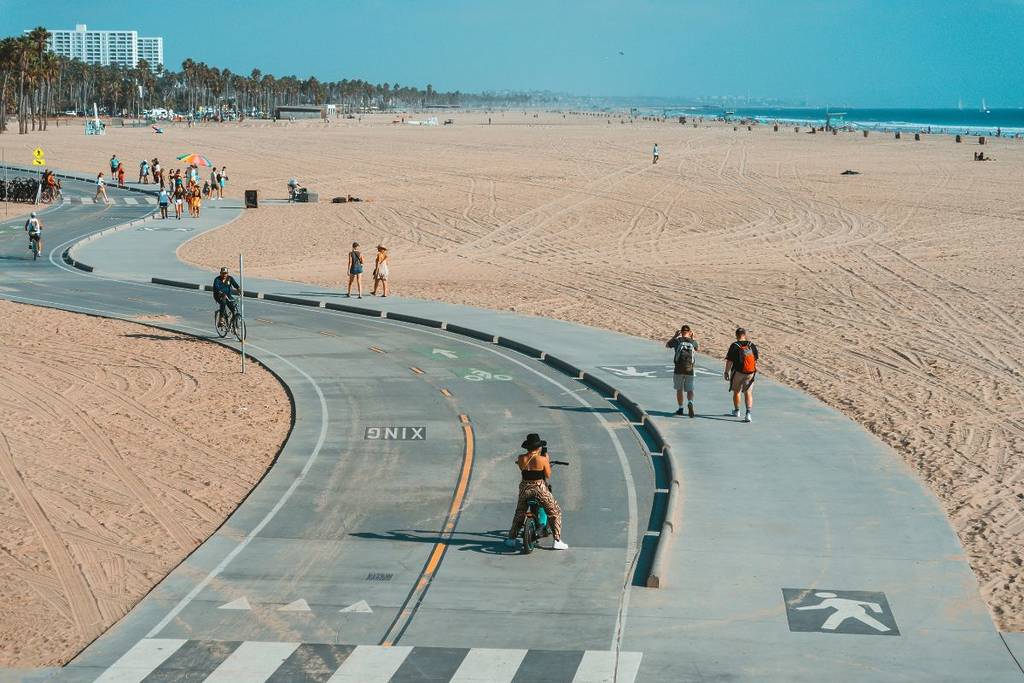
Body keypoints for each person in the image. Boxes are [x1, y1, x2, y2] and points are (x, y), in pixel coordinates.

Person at [505, 433, 568, 550]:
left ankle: (511, 539)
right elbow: (548, 475)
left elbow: (523, 467)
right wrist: (546, 459)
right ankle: (557, 541)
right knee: (555, 511)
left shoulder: (521, 458)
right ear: (538, 447)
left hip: (525, 489)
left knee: (520, 513)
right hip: (539, 489)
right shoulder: (542, 459)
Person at [724, 327, 759, 422]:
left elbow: (729, 361)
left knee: (737, 391)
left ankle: (737, 411)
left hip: (738, 372)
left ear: (736, 335)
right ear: (745, 335)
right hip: (750, 373)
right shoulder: (751, 345)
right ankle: (748, 413)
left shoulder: (734, 345)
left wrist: (726, 371)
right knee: (748, 392)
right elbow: (755, 359)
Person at [666, 324, 699, 417]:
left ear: (681, 332)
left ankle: (680, 408)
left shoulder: (677, 340)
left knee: (679, 389)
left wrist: (675, 336)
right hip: (690, 369)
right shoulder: (693, 342)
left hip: (678, 369)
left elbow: (667, 345)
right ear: (689, 332)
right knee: (690, 389)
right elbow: (697, 349)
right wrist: (693, 337)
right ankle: (690, 402)